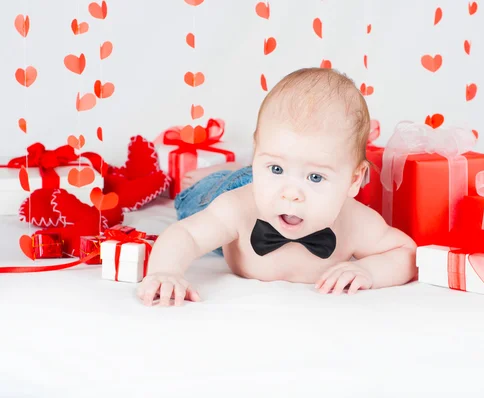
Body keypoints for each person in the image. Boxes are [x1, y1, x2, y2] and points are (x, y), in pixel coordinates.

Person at [136, 67, 417, 306]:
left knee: (274, 174)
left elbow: (405, 252)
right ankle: (229, 172)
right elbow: (186, 234)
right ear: (258, 152)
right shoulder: (237, 208)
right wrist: (165, 271)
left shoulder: (355, 221)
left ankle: (257, 169)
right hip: (232, 191)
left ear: (354, 180)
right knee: (196, 201)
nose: (292, 193)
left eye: (315, 177)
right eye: (277, 168)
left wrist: (368, 270)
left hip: (262, 184)